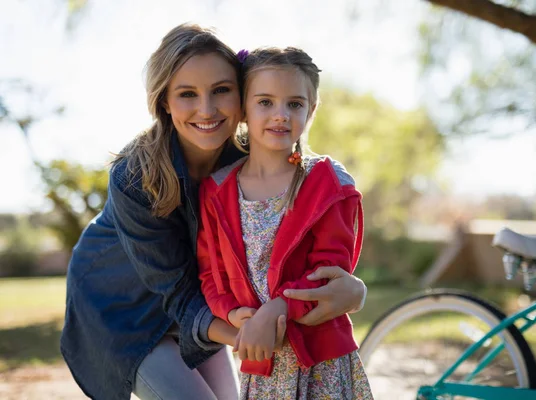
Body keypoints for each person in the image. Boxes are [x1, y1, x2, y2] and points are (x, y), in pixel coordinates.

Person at [60, 24, 368, 400]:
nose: (206, 109)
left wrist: (353, 291)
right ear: (164, 103)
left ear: (243, 98)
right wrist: (259, 329)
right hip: (122, 307)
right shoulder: (133, 176)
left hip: (204, 304)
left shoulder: (246, 162)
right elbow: (178, 293)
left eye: (221, 90)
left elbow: (307, 227)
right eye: (187, 94)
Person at [197, 47, 373, 399]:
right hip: (263, 361)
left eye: (294, 104)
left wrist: (277, 310)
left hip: (323, 360)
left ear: (311, 111)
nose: (280, 115)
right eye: (265, 102)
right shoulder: (216, 191)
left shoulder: (328, 183)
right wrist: (237, 317)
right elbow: (210, 274)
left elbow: (330, 271)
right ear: (243, 108)